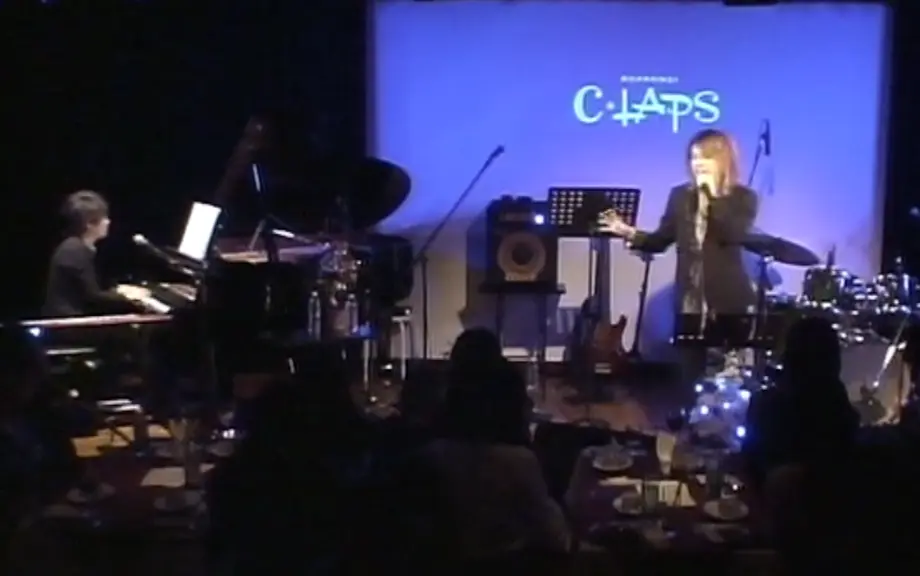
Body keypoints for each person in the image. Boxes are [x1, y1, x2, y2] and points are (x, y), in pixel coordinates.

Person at [598, 128, 759, 398]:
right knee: (689, 378)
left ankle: (726, 420)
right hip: (690, 299)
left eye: (705, 157)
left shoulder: (744, 198)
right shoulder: (680, 197)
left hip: (730, 299)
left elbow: (733, 232)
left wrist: (710, 198)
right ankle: (690, 418)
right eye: (694, 157)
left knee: (728, 377)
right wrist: (628, 232)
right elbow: (661, 239)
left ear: (723, 160)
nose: (698, 164)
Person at [43, 190, 149, 317]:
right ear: (89, 224)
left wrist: (120, 291)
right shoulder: (74, 250)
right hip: (68, 321)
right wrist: (129, 297)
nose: (108, 221)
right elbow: (93, 297)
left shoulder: (78, 247)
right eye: (104, 218)